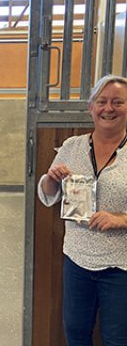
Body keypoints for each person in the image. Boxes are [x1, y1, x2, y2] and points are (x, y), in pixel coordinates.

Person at [38, 74, 127, 346]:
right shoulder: (71, 146)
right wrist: (51, 178)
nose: (108, 108)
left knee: (116, 339)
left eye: (118, 102)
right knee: (76, 334)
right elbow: (47, 196)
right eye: (101, 101)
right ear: (91, 108)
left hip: (120, 266)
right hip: (76, 259)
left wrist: (120, 220)